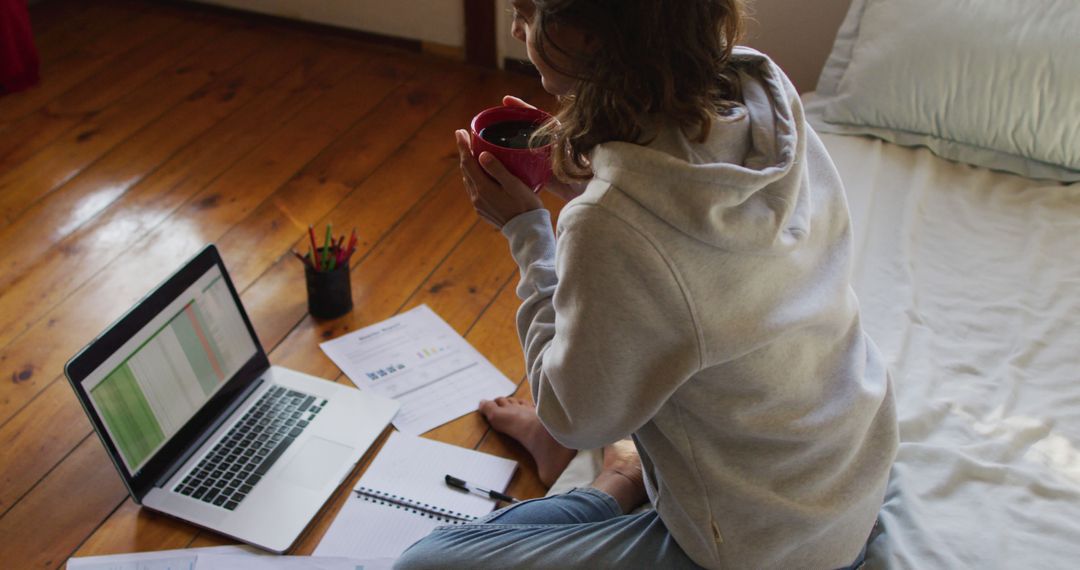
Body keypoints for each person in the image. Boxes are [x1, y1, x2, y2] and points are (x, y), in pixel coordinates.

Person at [395, 0, 898, 568]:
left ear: (587, 32)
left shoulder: (613, 223)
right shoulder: (759, 88)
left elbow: (573, 418)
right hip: (850, 465)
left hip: (768, 546)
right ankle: (624, 467)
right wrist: (588, 165)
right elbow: (690, 250)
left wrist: (527, 228)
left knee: (426, 562)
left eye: (527, 12)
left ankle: (616, 478)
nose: (515, 28)